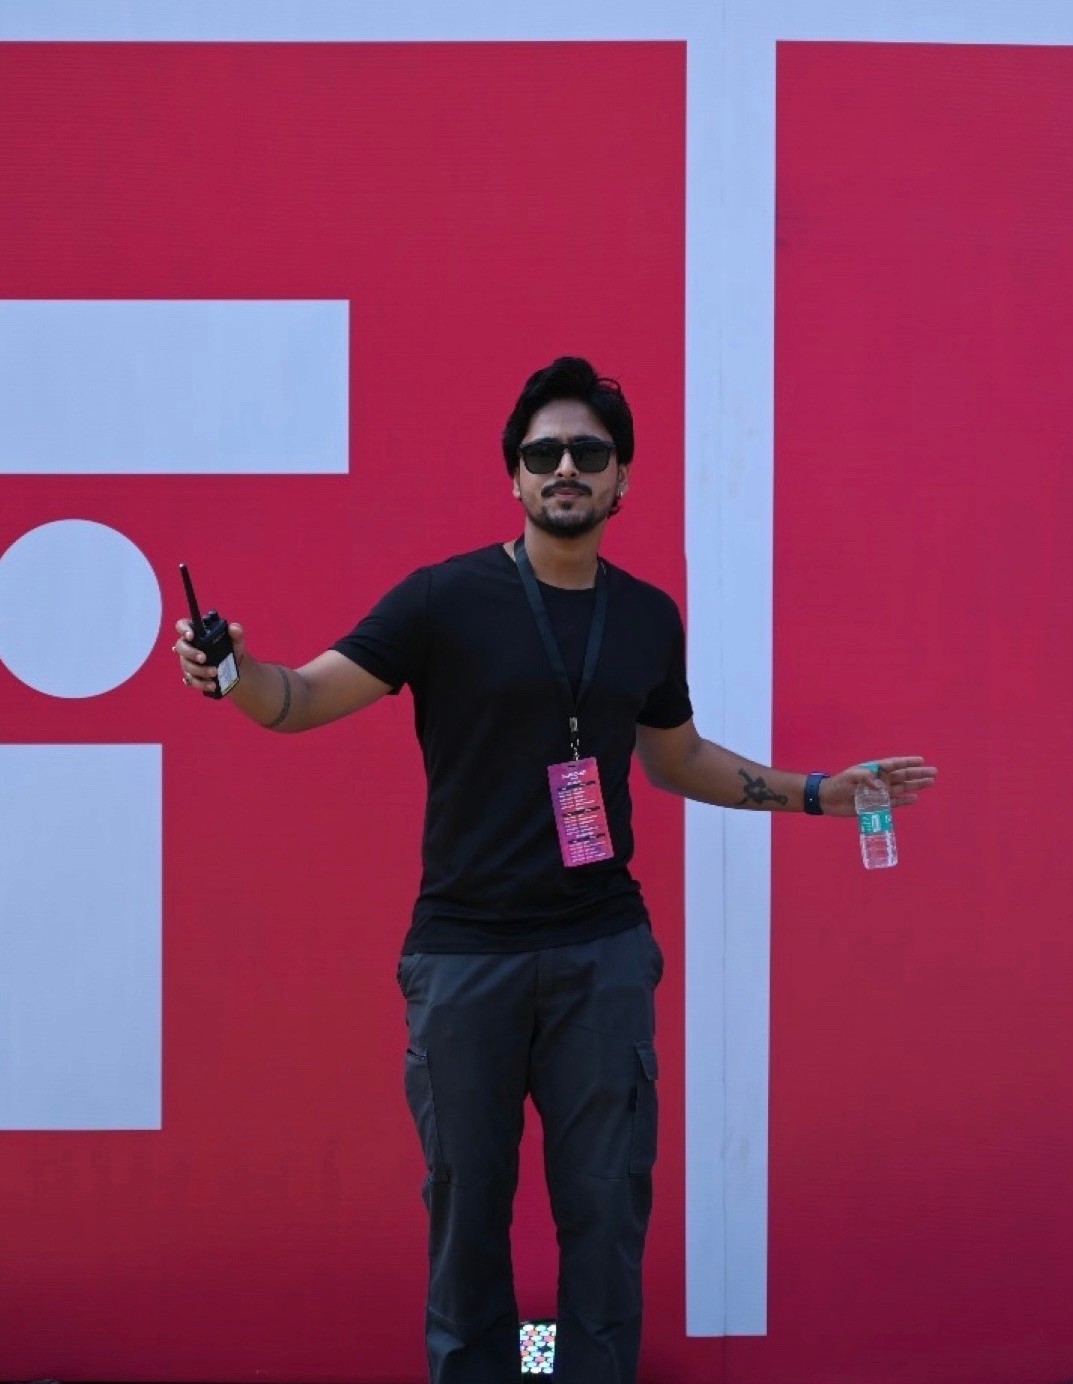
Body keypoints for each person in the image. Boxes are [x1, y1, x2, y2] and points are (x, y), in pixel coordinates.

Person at [173, 357, 937, 1384]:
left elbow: (675, 759)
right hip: (464, 959)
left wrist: (815, 792)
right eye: (543, 454)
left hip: (599, 955)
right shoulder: (443, 599)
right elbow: (298, 698)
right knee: (466, 1220)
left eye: (586, 451)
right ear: (514, 478)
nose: (564, 468)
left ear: (620, 479)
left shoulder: (646, 617)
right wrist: (228, 673)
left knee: (607, 1214)